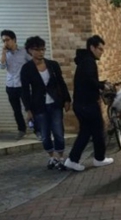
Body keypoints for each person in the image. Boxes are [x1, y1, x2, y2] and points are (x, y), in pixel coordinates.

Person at [21, 36, 71, 170]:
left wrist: (67, 99)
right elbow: (25, 91)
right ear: (30, 50)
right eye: (37, 50)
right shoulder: (26, 68)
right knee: (44, 135)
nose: (41, 52)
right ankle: (51, 157)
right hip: (38, 106)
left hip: (55, 104)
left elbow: (61, 83)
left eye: (43, 49)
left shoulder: (53, 65)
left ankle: (60, 158)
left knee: (58, 132)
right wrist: (28, 110)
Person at [64, 35, 113, 172]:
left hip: (82, 104)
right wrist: (102, 86)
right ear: (92, 47)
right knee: (97, 130)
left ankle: (73, 160)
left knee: (86, 132)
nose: (101, 52)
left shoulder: (85, 60)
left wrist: (101, 84)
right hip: (87, 104)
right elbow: (90, 81)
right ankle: (99, 158)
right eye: (99, 49)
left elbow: (88, 80)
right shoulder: (88, 62)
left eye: (102, 50)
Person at [1, 30, 31, 139]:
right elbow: (2, 66)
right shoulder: (5, 54)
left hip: (22, 86)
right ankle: (21, 130)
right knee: (16, 110)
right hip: (10, 86)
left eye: (7, 40)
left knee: (29, 109)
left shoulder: (24, 52)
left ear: (14, 40)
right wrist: (3, 53)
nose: (5, 43)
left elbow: (32, 64)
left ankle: (37, 130)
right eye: (3, 41)